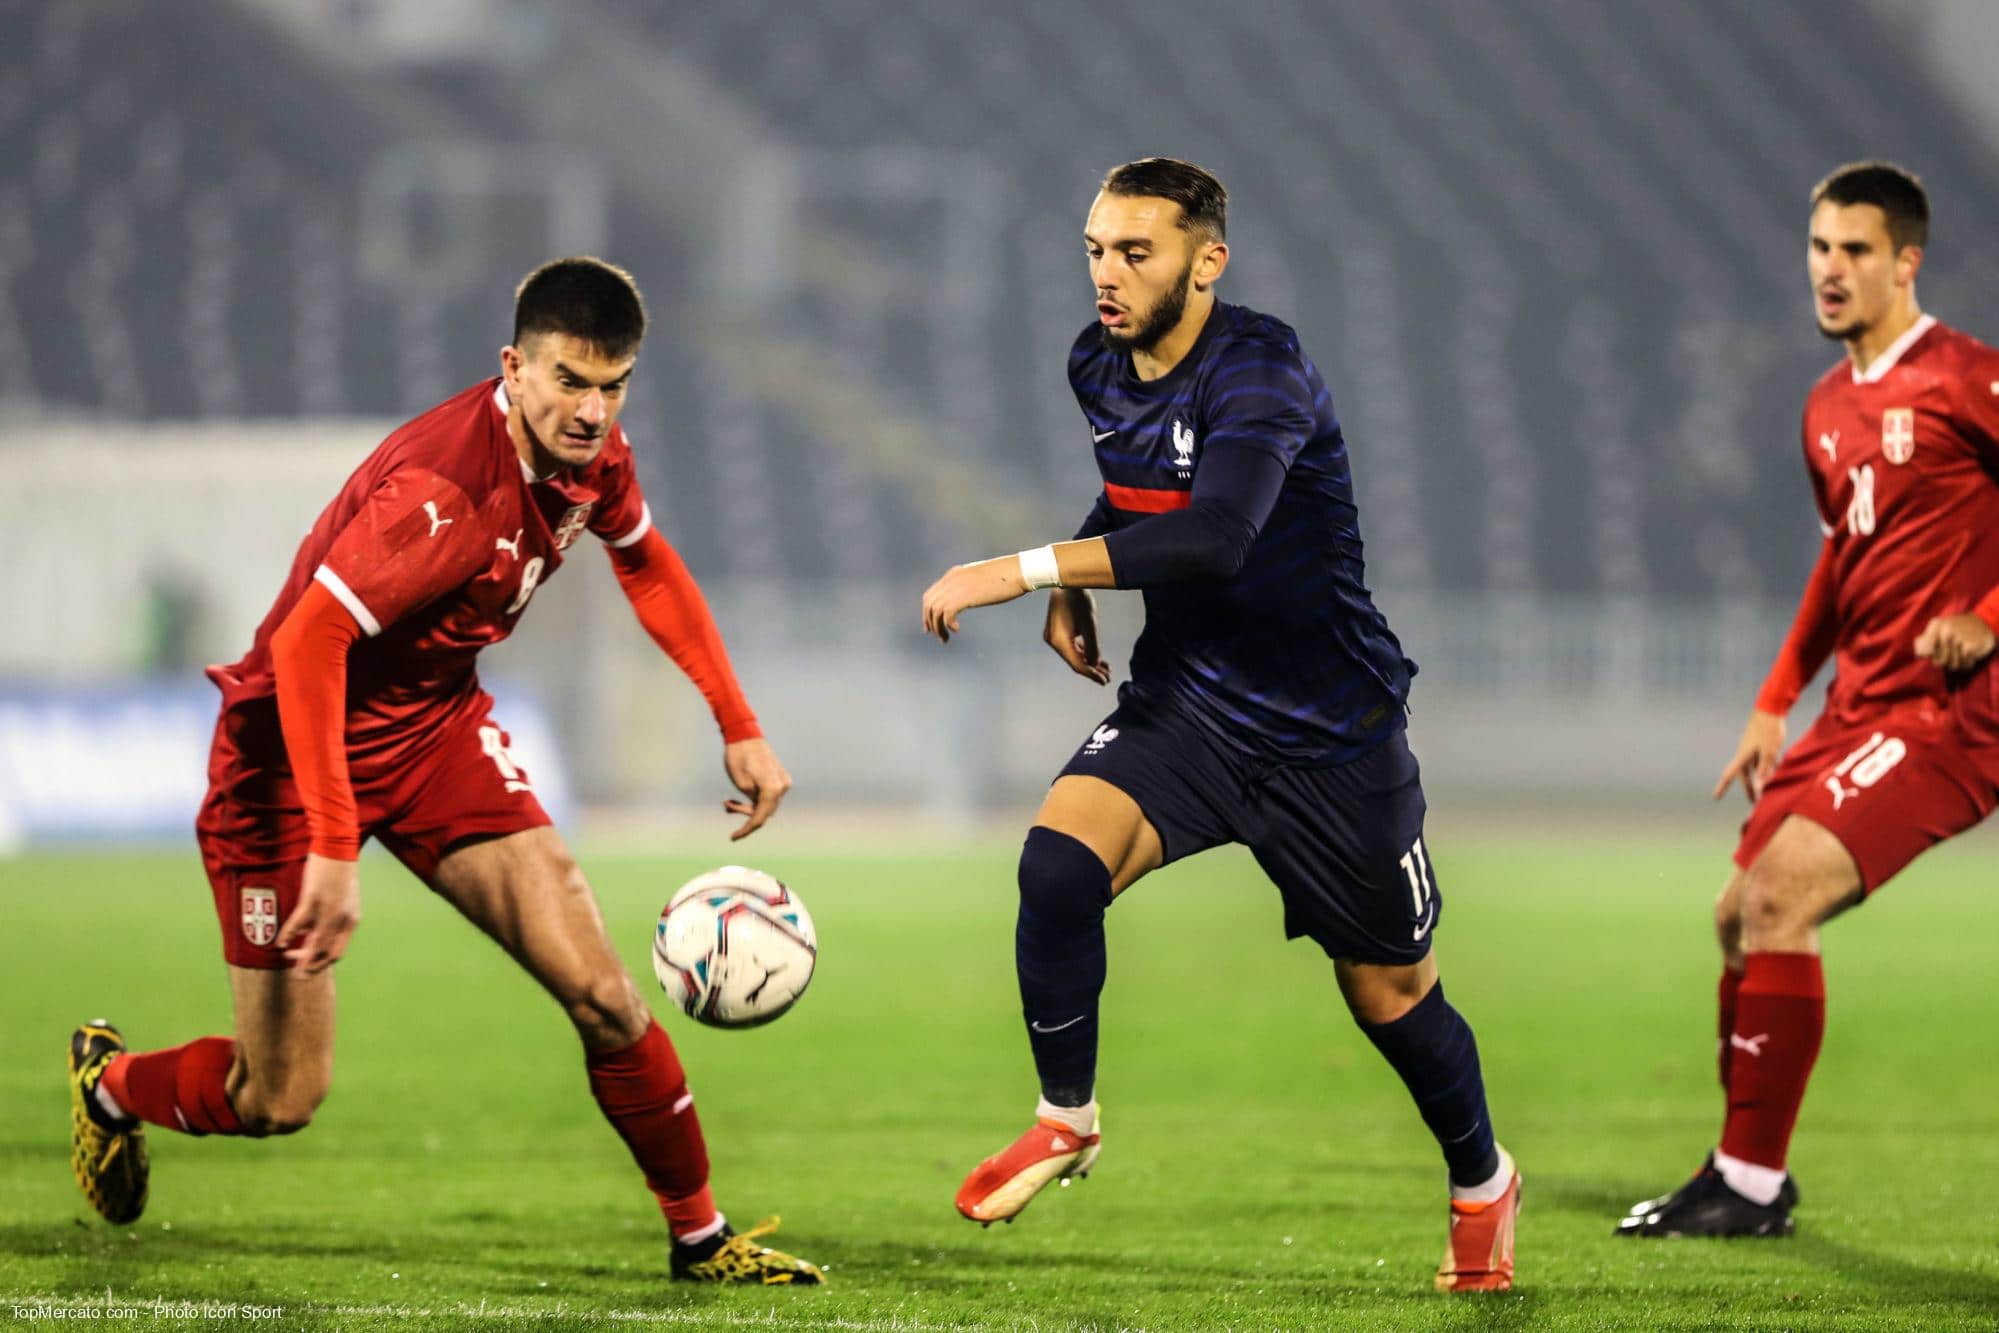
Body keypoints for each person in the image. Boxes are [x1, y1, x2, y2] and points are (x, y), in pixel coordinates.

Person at [66, 257, 823, 1285]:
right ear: (513, 368)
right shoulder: (442, 495)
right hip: (288, 760)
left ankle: (699, 1237)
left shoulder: (590, 456)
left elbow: (644, 558)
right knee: (277, 1098)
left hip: (431, 734)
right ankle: (112, 1087)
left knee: (603, 995)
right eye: (568, 381)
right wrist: (334, 844)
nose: (593, 410)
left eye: (614, 384)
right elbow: (305, 646)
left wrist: (736, 718)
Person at [920, 158, 1519, 1293]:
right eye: (1095, 247)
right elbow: (1144, 491)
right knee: (1054, 868)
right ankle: (1067, 1115)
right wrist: (1074, 576)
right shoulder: (1094, 360)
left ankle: (1482, 1181)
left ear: (1207, 262)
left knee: (1390, 996)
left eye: (1134, 252)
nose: (1106, 273)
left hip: (1327, 731)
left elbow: (1215, 536)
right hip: (1189, 707)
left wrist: (1020, 564)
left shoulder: (1262, 369)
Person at [1619, 162, 1999, 1239]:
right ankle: (1737, 1168)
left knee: (1779, 895)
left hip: (1945, 711)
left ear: (1906, 262)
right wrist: (1773, 696)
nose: (1830, 271)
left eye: (1855, 251)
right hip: (1854, 703)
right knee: (1736, 917)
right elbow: (1842, 559)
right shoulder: (1827, 405)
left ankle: (1745, 1187)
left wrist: (1989, 611)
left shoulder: (1967, 376)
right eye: (1819, 249)